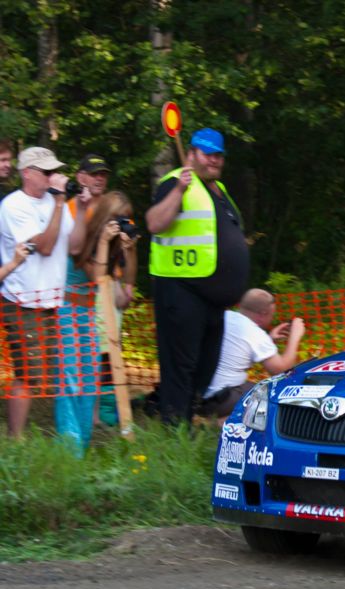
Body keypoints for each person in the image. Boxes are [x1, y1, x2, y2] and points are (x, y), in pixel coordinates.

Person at [145, 127, 250, 423]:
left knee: (205, 368)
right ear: (191, 154)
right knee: (181, 366)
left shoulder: (220, 191)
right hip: (182, 290)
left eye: (219, 155)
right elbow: (154, 223)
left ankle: (185, 422)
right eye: (208, 154)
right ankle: (173, 426)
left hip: (212, 300)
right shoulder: (175, 182)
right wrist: (180, 189)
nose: (214, 160)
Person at [0, 147, 82, 437]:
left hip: (52, 299)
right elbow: (45, 247)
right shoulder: (14, 205)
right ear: (27, 173)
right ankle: (15, 439)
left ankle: (39, 433)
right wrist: (60, 203)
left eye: (54, 171)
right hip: (23, 300)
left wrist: (81, 204)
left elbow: (74, 245)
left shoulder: (54, 201)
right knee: (28, 373)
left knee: (46, 371)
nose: (52, 176)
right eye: (46, 172)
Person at [54, 191, 136, 454]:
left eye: (127, 219)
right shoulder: (86, 238)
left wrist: (129, 250)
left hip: (88, 313)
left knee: (90, 380)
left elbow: (127, 281)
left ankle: (83, 441)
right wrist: (102, 241)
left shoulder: (112, 245)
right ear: (106, 217)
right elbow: (97, 278)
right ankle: (69, 447)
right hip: (68, 310)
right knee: (71, 378)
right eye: (119, 218)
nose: (123, 223)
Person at [200, 289, 305, 418]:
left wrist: (269, 339)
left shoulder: (225, 316)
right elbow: (283, 372)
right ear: (262, 314)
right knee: (273, 393)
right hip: (220, 401)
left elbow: (237, 351)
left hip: (198, 396)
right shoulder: (255, 333)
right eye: (271, 315)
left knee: (254, 387)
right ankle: (225, 422)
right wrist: (295, 336)